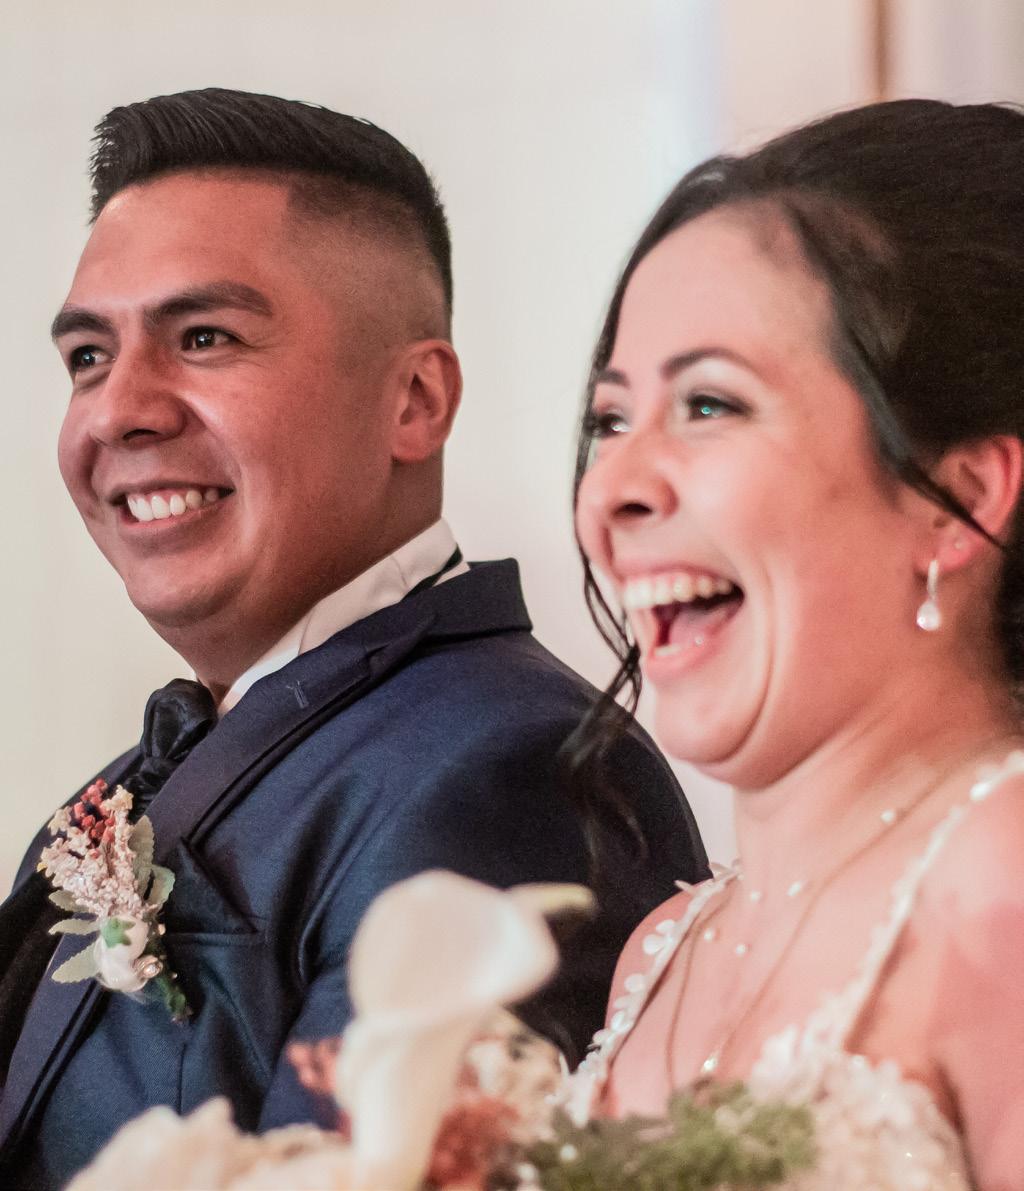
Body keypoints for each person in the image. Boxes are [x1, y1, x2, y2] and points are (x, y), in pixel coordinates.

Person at [0, 88, 708, 1187]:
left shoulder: (509, 771)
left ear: (414, 400)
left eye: (203, 338)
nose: (118, 409)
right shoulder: (138, 777)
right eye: (88, 355)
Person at [568, 99, 1024, 1188]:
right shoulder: (662, 950)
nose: (615, 489)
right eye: (611, 419)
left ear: (958, 501)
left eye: (710, 405)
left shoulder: (1002, 888)